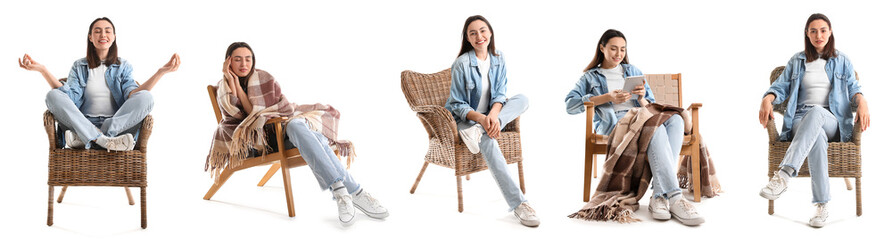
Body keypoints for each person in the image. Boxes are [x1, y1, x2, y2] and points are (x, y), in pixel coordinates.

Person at [206, 42, 388, 226]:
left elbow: (274, 111)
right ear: (228, 62)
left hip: (285, 129)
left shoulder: (264, 78)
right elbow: (251, 117)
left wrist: (273, 115)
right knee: (315, 138)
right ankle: (356, 192)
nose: (244, 64)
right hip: (265, 141)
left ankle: (341, 192)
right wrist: (235, 85)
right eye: (237, 59)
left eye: (248, 59)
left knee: (296, 125)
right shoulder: (224, 89)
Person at [565, 29, 704, 226]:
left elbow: (650, 104)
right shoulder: (590, 77)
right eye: (613, 48)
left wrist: (641, 98)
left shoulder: (633, 71)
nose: (618, 54)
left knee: (676, 120)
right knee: (654, 126)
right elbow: (570, 105)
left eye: (622, 49)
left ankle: (659, 195)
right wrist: (607, 98)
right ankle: (674, 196)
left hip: (642, 115)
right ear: (602, 48)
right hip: (617, 123)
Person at [758, 13, 869, 228]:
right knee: (816, 137)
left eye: (823, 30)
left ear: (830, 32)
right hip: (800, 119)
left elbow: (854, 88)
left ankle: (784, 175)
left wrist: (862, 101)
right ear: (807, 34)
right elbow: (780, 87)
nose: (819, 35)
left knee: (817, 112)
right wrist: (767, 98)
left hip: (832, 119)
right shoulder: (797, 61)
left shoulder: (842, 61)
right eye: (813, 31)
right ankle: (821, 206)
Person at [20, 17, 179, 151]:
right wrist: (43, 70)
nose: (103, 34)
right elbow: (69, 97)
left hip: (116, 127)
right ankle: (101, 140)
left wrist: (160, 72)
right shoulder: (79, 66)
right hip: (82, 123)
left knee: (146, 97)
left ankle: (91, 138)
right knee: (52, 96)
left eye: (107, 31)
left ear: (114, 37)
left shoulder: (123, 66)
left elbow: (132, 95)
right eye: (97, 31)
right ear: (90, 37)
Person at [445, 15, 538, 227]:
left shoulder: (498, 58)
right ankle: (519, 204)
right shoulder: (461, 64)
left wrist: (493, 116)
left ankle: (480, 130)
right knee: (488, 140)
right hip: (466, 120)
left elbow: (500, 94)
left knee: (523, 99)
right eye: (473, 33)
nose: (479, 36)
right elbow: (457, 104)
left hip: (489, 116)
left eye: (483, 30)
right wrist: (481, 118)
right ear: (467, 38)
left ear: (490, 32)